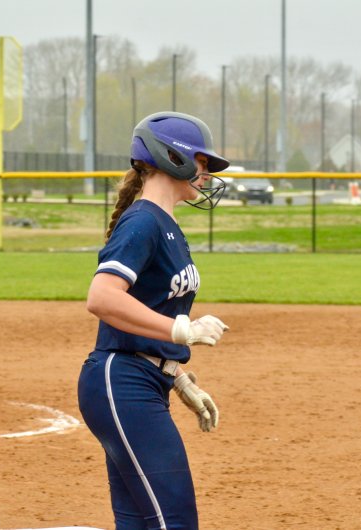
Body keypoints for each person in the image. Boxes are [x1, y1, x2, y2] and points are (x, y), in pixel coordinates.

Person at [78, 111, 231, 530]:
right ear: (171, 156)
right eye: (200, 161)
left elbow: (151, 305)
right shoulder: (143, 221)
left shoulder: (166, 224)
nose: (205, 172)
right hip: (120, 382)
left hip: (141, 380)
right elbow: (103, 298)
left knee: (142, 522)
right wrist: (183, 330)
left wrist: (177, 375)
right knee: (174, 520)